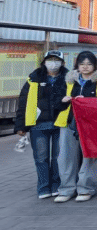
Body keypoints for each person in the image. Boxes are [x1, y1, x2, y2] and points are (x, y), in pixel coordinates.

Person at [54, 51, 97, 203]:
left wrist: (89, 100)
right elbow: (56, 101)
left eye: (89, 64)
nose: (85, 67)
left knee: (90, 156)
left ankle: (86, 188)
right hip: (69, 122)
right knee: (66, 158)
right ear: (77, 65)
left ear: (95, 66)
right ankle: (66, 189)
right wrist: (64, 100)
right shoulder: (68, 80)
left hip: (92, 124)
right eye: (82, 64)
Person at [14, 50, 67, 200]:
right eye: (50, 59)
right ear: (44, 62)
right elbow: (23, 103)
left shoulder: (68, 79)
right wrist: (21, 126)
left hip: (61, 123)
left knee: (58, 157)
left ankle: (56, 185)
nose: (53, 63)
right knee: (41, 158)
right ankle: (43, 187)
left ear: (62, 63)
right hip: (38, 125)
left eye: (56, 60)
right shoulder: (33, 79)